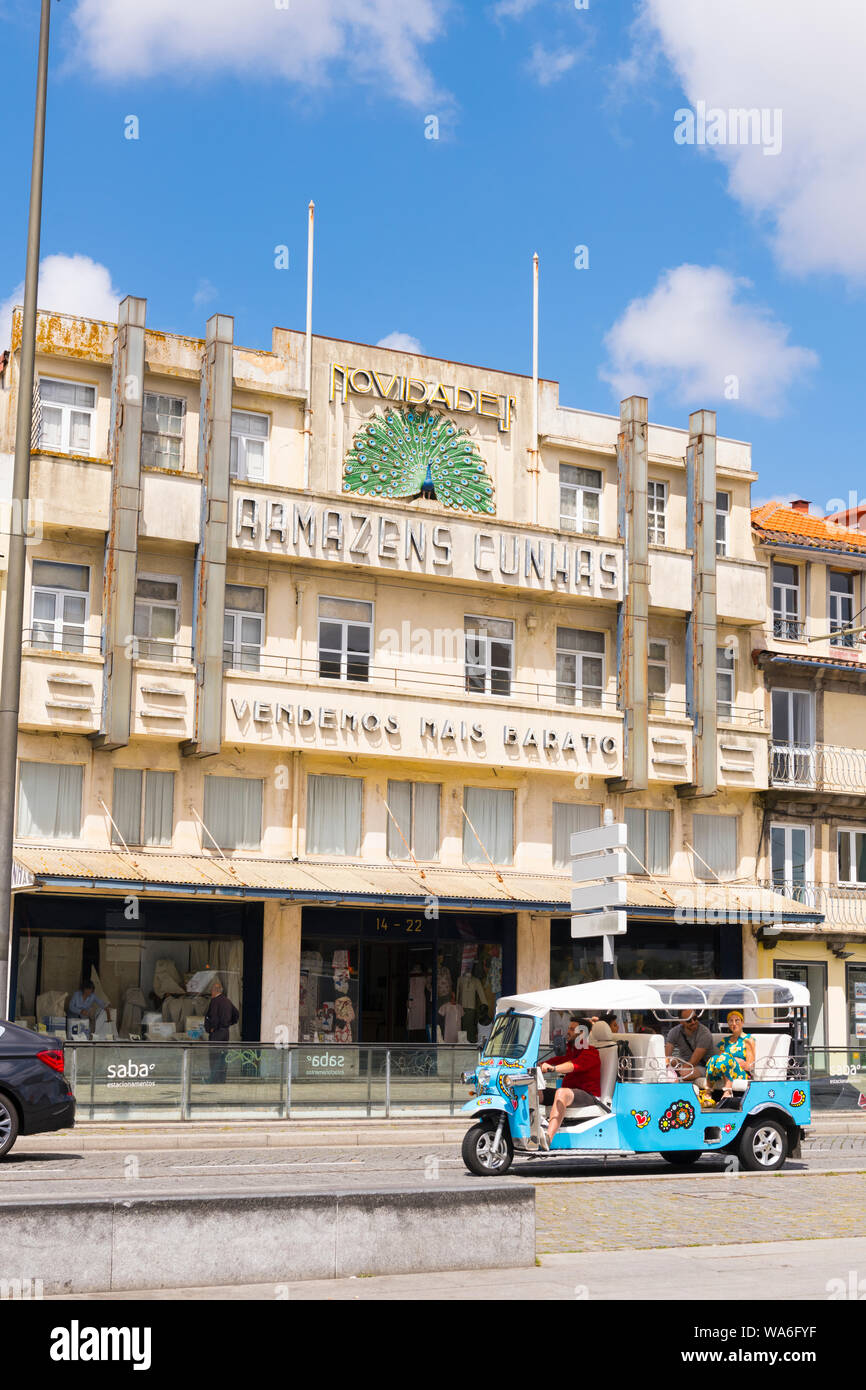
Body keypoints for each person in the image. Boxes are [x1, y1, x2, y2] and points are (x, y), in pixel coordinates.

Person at [539, 1018, 601, 1147]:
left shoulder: (591, 1051)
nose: (568, 1032)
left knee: (562, 1093)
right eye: (569, 1028)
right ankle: (531, 1130)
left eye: (572, 1029)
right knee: (534, 1092)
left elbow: (573, 1065)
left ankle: (548, 1139)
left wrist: (553, 1068)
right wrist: (538, 1065)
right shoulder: (570, 1050)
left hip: (589, 1096)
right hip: (570, 1094)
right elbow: (556, 1060)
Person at [705, 1009, 755, 1107]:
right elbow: (720, 1060)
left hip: (741, 1073)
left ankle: (728, 1091)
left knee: (726, 1057)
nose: (734, 1023)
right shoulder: (725, 1041)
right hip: (725, 1069)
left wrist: (735, 1061)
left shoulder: (748, 1040)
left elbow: (750, 1066)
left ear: (742, 1022)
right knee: (714, 1058)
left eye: (737, 1020)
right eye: (731, 1021)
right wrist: (731, 1060)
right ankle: (708, 1093)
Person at [205, 979, 239, 1085]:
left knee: (214, 1056)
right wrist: (230, 1023)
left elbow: (214, 1017)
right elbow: (236, 1013)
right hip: (225, 1032)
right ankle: (221, 1079)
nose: (211, 993)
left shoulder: (215, 1001)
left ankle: (213, 1079)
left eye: (211, 990)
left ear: (214, 991)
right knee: (223, 1056)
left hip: (217, 1033)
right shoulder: (227, 1001)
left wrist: (212, 1028)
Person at [665, 1009, 714, 1081]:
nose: (693, 1022)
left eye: (695, 1018)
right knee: (670, 1061)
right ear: (681, 1022)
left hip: (703, 1066)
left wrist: (677, 1073)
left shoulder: (704, 1033)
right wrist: (667, 1066)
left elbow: (693, 1062)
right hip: (684, 1062)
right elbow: (667, 1056)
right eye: (689, 1020)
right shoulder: (675, 1031)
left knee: (685, 1073)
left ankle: (675, 1085)